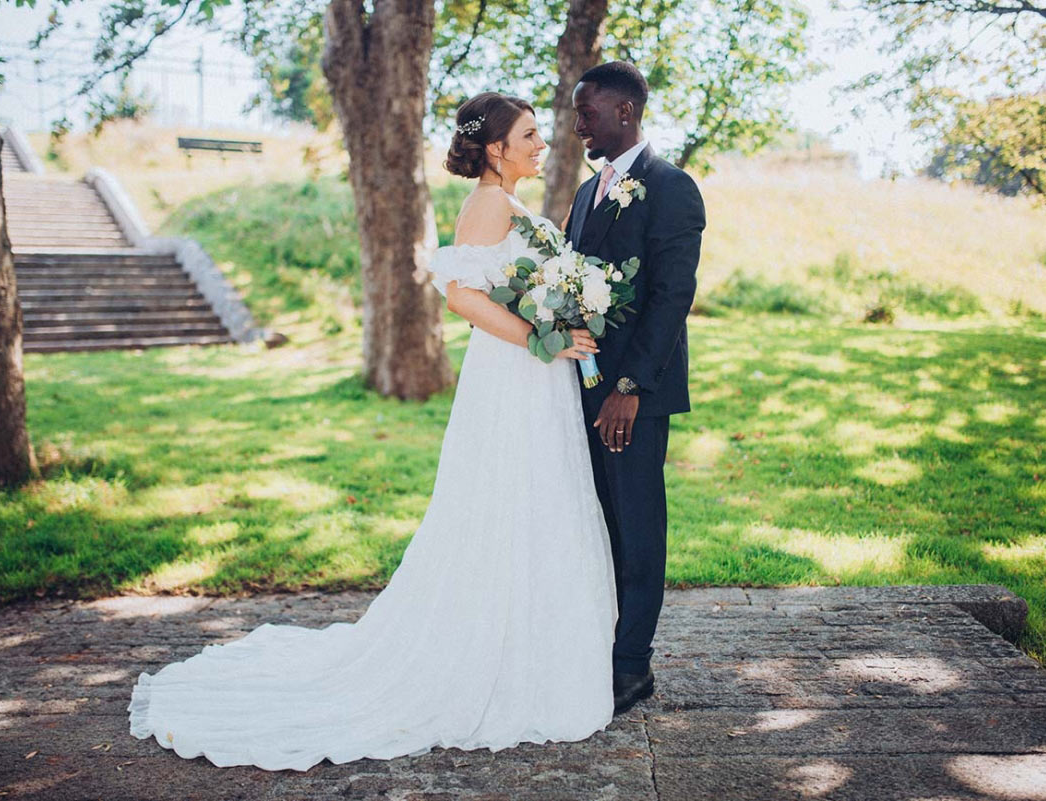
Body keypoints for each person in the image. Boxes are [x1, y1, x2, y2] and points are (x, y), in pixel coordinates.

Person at [126, 91, 618, 771]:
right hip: (515, 375)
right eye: (529, 134)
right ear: (496, 148)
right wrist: (545, 338)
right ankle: (498, 658)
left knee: (536, 504)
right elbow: (462, 297)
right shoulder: (489, 204)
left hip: (535, 378)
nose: (542, 144)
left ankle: (535, 649)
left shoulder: (508, 202)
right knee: (509, 502)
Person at [564, 62, 706, 715]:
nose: (578, 125)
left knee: (639, 526)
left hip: (633, 398)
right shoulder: (584, 194)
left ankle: (632, 666)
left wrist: (629, 386)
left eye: (586, 112)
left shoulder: (672, 187)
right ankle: (597, 643)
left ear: (624, 111)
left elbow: (672, 297)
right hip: (579, 389)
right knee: (597, 523)